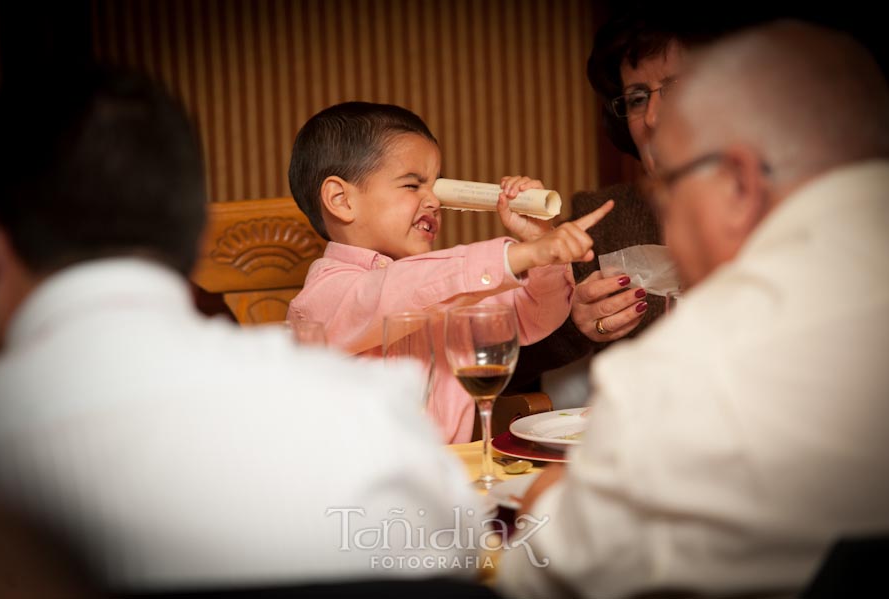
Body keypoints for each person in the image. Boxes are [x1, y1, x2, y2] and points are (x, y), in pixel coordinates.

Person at [0, 68, 487, 592]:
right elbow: (459, 553)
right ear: (198, 234)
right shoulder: (366, 411)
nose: (431, 200)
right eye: (414, 184)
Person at [497, 20, 889, 598]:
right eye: (636, 99)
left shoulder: (684, 373)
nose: (653, 120)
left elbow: (543, 573)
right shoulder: (593, 216)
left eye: (672, 189)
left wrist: (542, 501)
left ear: (738, 182)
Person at [287, 101, 612, 443]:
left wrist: (541, 250)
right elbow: (394, 292)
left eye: (437, 187)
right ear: (341, 199)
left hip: (449, 478)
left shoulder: (448, 289)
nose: (434, 201)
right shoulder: (321, 299)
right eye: (413, 186)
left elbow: (535, 314)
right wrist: (518, 255)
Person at [507, 7, 728, 395]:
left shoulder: (797, 209)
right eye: (638, 98)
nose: (653, 118)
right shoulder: (602, 221)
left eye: (675, 88)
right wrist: (574, 328)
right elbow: (500, 364)